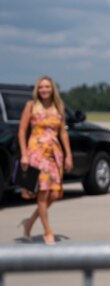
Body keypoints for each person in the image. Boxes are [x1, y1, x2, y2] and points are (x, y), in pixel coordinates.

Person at [17, 76, 73, 245]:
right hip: (37, 152)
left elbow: (62, 132)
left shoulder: (59, 106)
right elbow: (21, 131)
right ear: (37, 89)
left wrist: (68, 154)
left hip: (55, 154)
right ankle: (47, 231)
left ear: (52, 88)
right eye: (41, 87)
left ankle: (29, 222)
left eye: (47, 86)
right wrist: (24, 154)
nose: (44, 90)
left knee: (55, 194)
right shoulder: (31, 106)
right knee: (43, 193)